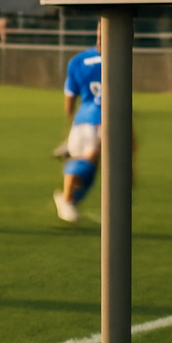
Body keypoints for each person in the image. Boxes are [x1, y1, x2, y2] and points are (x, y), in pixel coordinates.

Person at [55, 27, 103, 223]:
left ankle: (70, 199)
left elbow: (69, 102)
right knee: (90, 157)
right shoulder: (118, 59)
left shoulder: (78, 60)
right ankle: (67, 199)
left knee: (93, 164)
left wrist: (72, 126)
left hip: (83, 117)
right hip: (100, 119)